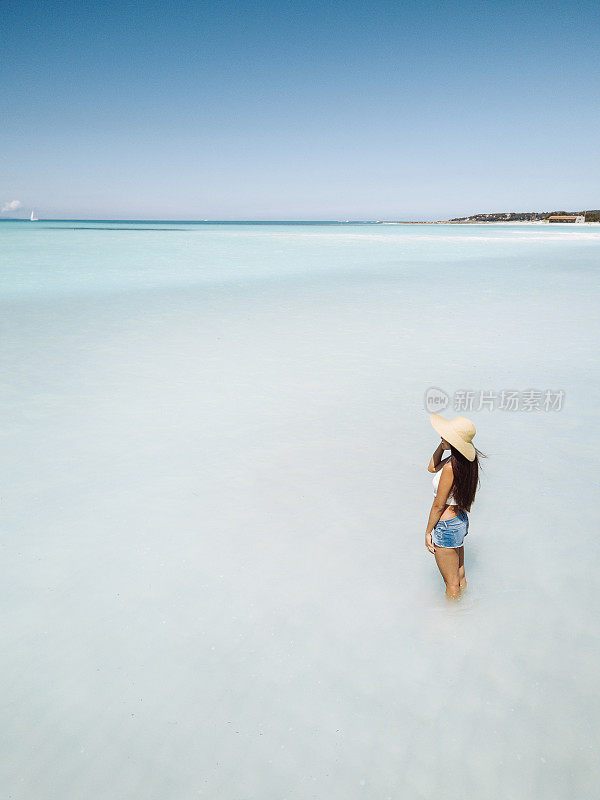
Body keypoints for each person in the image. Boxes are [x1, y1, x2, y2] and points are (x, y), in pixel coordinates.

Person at [425, 414, 484, 599]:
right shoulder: (463, 461)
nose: (441, 436)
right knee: (460, 576)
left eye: (445, 434)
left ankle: (452, 620)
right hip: (459, 520)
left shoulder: (451, 467)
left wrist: (428, 531)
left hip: (446, 526)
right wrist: (444, 444)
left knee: (451, 585)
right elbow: (432, 468)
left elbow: (438, 505)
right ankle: (466, 612)